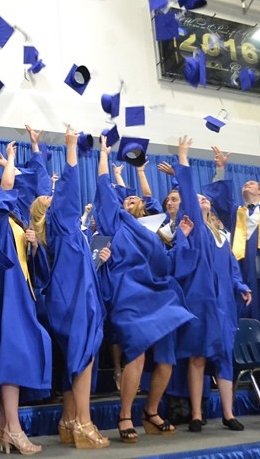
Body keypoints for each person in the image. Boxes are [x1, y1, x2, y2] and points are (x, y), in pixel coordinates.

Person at [94, 135, 195, 442]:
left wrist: (183, 237)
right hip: (129, 295)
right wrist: (102, 153)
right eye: (125, 199)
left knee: (166, 357)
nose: (129, 201)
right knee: (136, 355)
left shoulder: (155, 229)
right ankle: (125, 414)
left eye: (135, 199)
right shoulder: (115, 225)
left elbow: (168, 264)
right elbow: (103, 188)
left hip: (159, 294)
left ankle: (151, 412)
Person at [29, 128, 108, 450]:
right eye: (50, 195)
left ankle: (68, 420)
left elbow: (46, 188)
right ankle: (85, 424)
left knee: (77, 359)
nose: (53, 192)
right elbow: (70, 183)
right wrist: (71, 147)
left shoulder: (59, 229)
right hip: (75, 299)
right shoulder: (61, 221)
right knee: (84, 357)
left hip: (70, 297)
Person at [173, 136, 251, 433]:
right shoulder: (196, 232)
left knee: (225, 358)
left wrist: (242, 286)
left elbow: (232, 270)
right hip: (201, 301)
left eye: (207, 198)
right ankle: (196, 413)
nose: (203, 199)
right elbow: (188, 197)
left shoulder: (223, 238)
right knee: (198, 356)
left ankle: (229, 414)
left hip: (225, 305)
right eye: (198, 198)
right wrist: (183, 155)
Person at [0, 140, 51, 455]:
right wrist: (8, 158)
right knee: (13, 355)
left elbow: (29, 262)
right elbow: (9, 184)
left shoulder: (15, 221)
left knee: (20, 352)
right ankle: (13, 428)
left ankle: (3, 427)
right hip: (7, 295)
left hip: (22, 291)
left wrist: (33, 245)